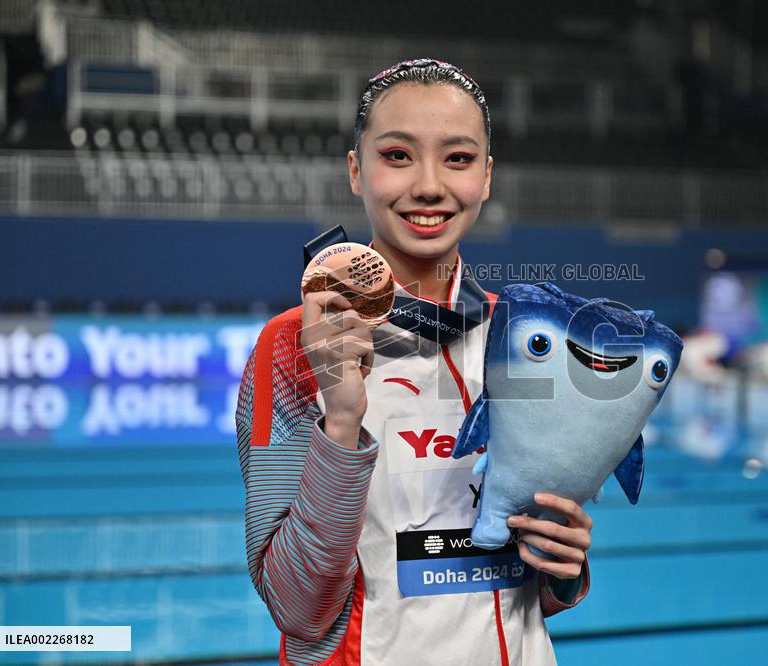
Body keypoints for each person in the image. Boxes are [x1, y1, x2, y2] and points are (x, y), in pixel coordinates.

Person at [237, 59, 594, 666]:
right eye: (397, 155)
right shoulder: (294, 346)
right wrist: (343, 425)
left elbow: (523, 589)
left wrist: (563, 564)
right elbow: (297, 608)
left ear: (486, 177)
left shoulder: (524, 340)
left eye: (457, 158)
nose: (429, 185)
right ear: (356, 171)